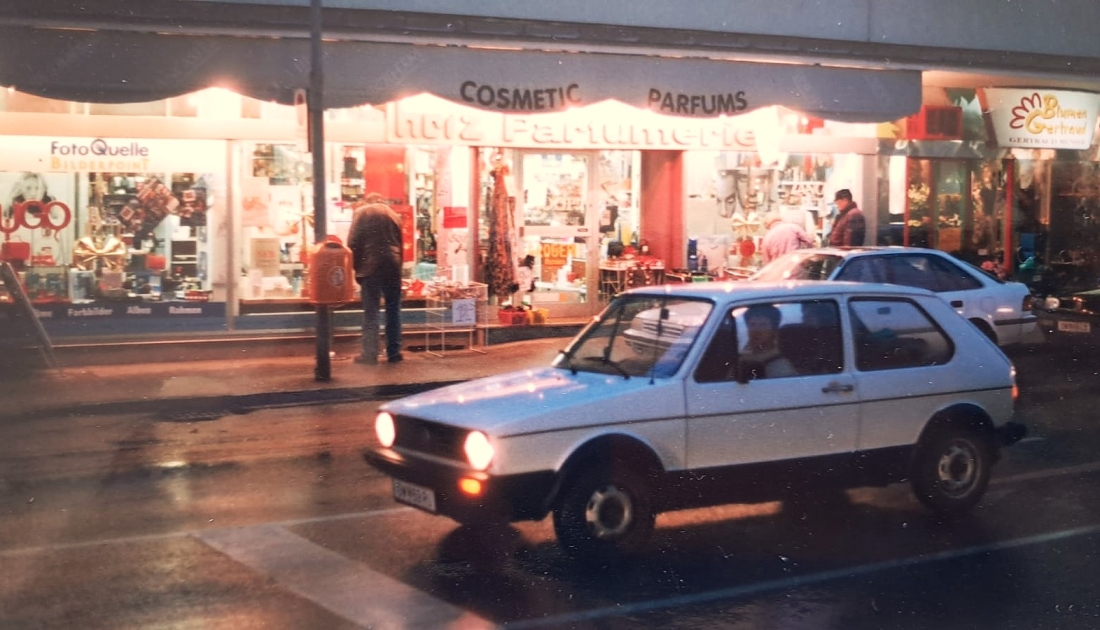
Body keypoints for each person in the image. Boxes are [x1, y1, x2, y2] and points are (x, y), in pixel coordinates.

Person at [348, 193, 404, 365]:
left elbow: (352, 242)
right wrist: (398, 267)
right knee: (393, 309)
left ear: (367, 201)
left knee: (371, 311)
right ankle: (394, 352)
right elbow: (400, 245)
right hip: (393, 265)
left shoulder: (361, 212)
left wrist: (357, 269)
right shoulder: (394, 215)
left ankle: (370, 354)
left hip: (370, 266)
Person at [740, 304, 796, 379]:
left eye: (763, 325)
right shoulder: (744, 358)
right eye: (752, 324)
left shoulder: (780, 366)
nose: (756, 331)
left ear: (773, 331)